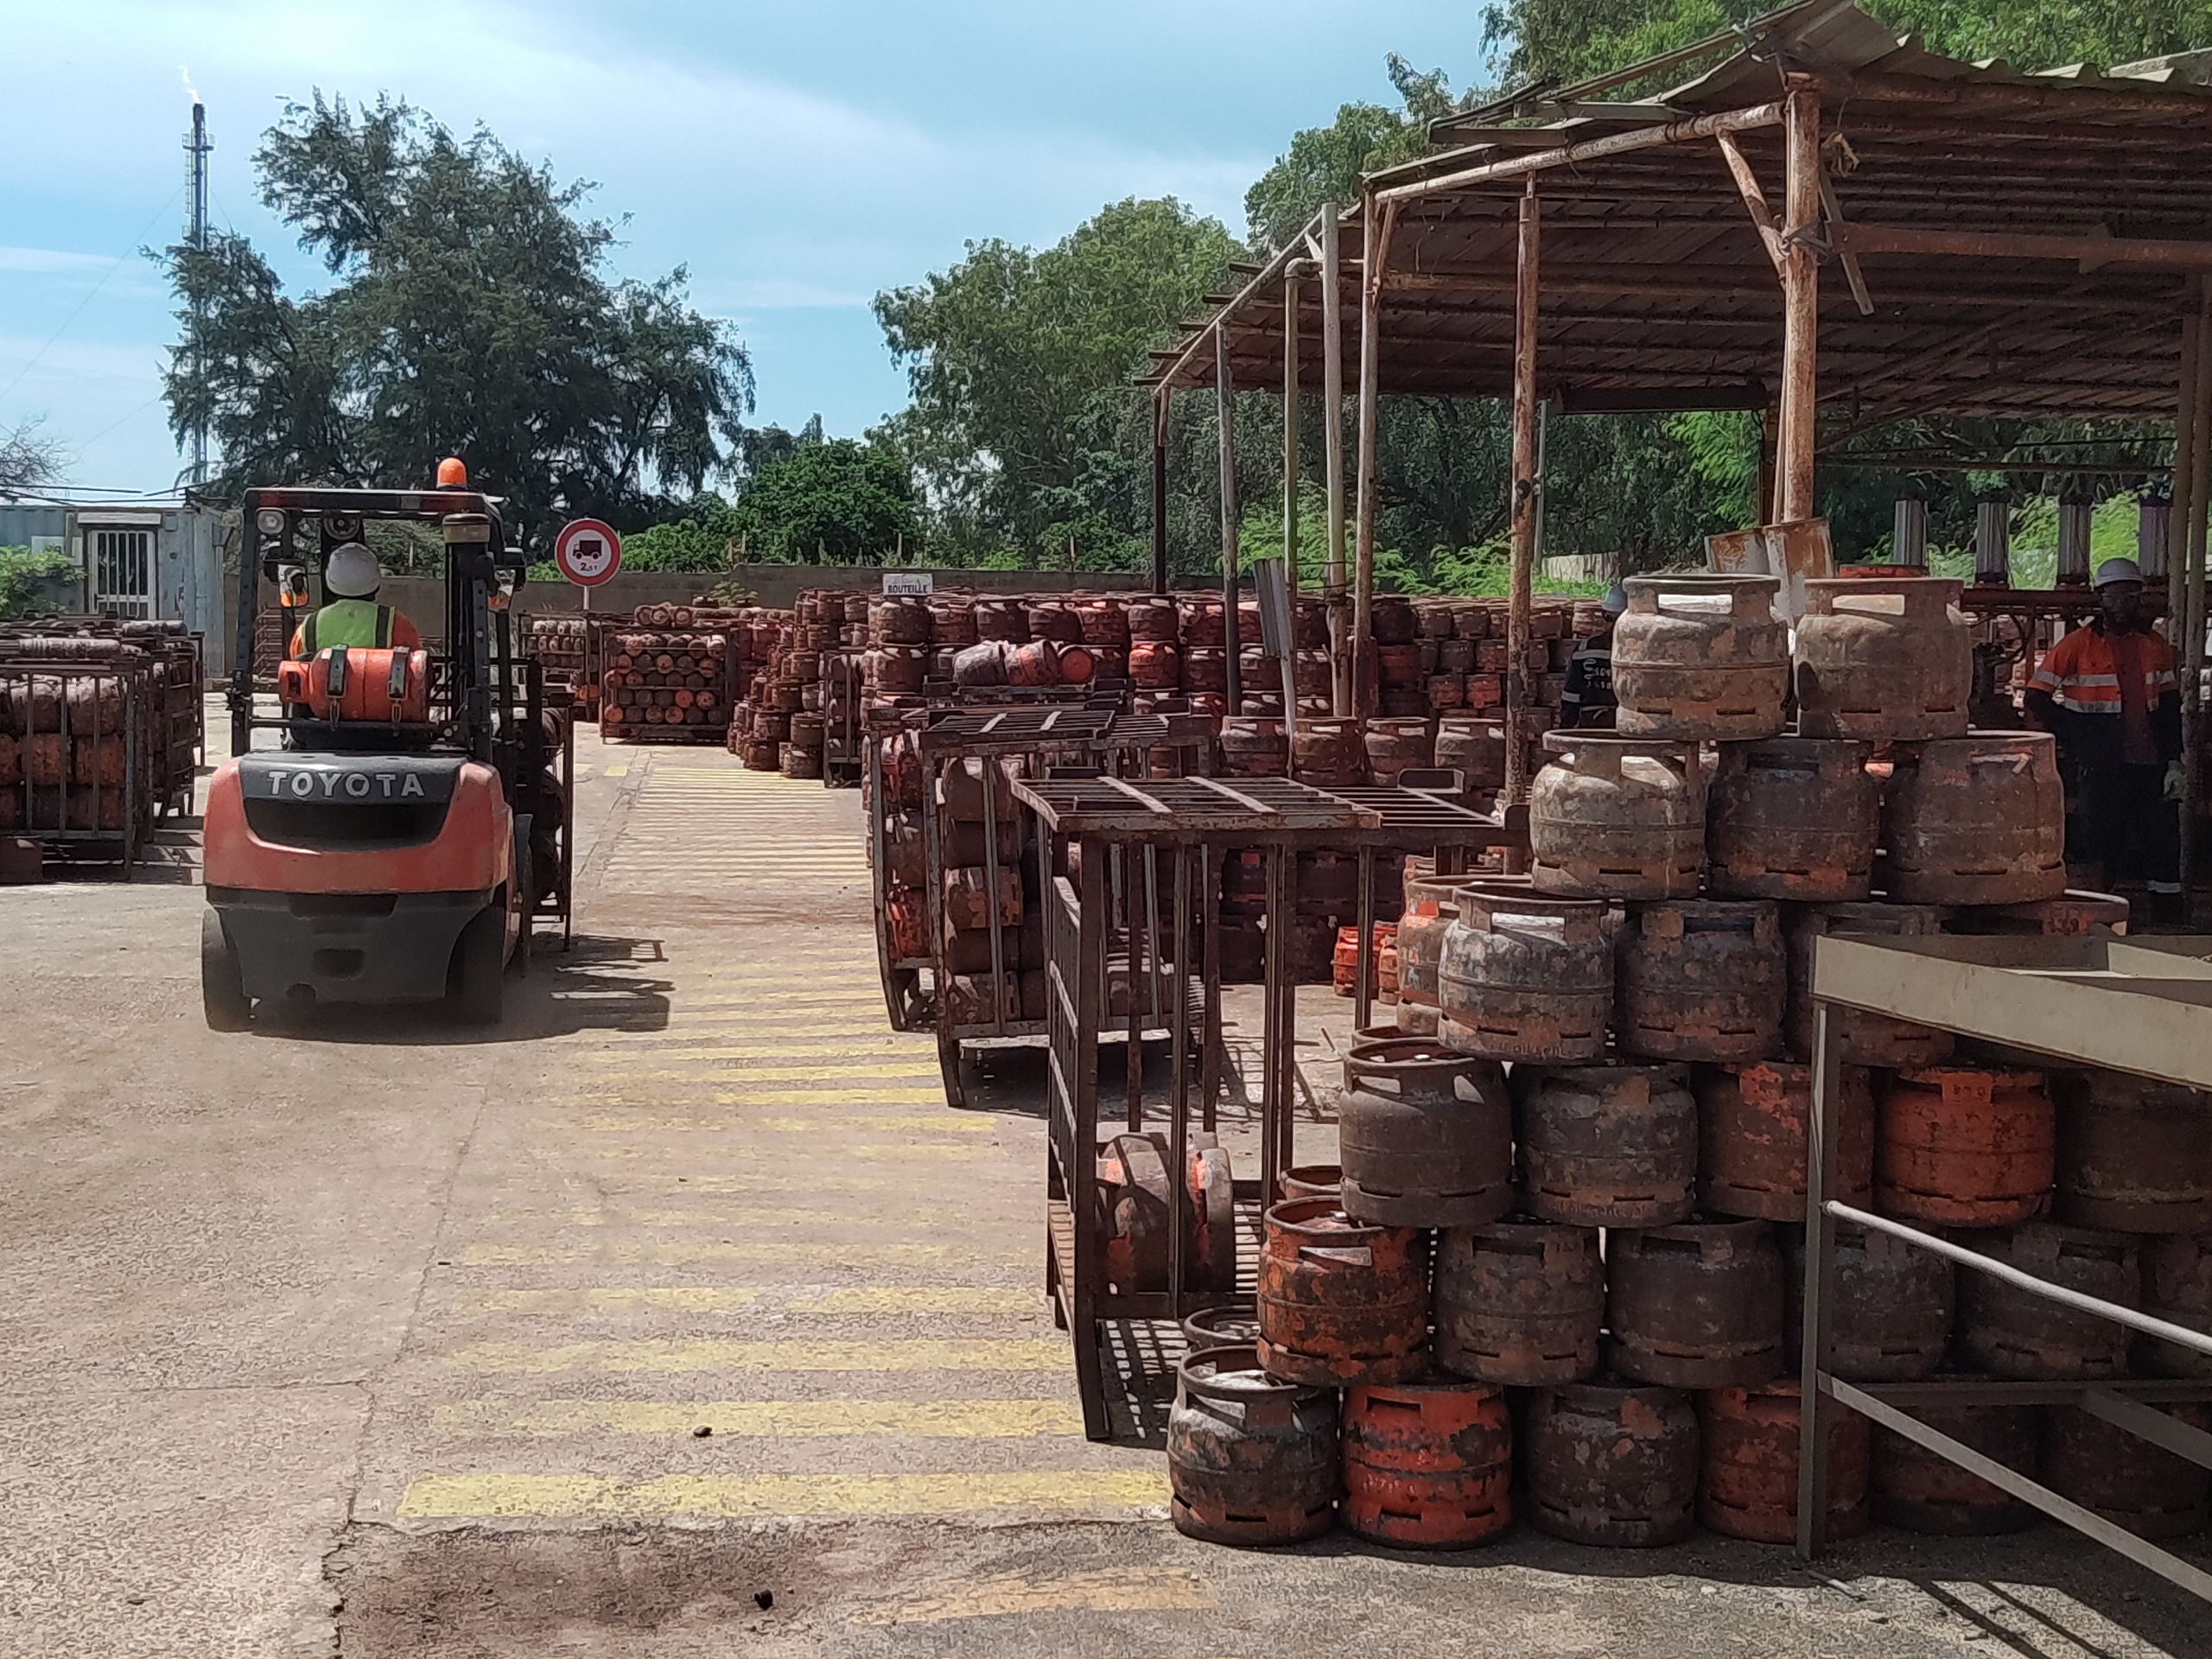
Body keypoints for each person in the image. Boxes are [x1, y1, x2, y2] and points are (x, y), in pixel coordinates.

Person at [2024, 556, 2183, 918]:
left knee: (2161, 839)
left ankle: (2168, 916)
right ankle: (2096, 915)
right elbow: (2036, 696)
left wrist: (2175, 759)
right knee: (2100, 839)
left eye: (2130, 594)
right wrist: (2075, 734)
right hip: (2103, 763)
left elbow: (2170, 705)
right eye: (2115, 594)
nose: (2123, 601)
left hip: (2151, 763)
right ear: (2101, 598)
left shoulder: (2155, 645)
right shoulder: (2078, 645)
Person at [289, 542, 422, 657]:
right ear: (376, 583)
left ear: (329, 579)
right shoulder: (397, 625)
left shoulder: (307, 629)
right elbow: (416, 672)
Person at [1559, 582, 1627, 728]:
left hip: (1593, 725)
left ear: (1604, 615)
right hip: (1629, 724)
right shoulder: (1643, 653)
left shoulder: (1585, 649)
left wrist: (1566, 727)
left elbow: (1571, 695)